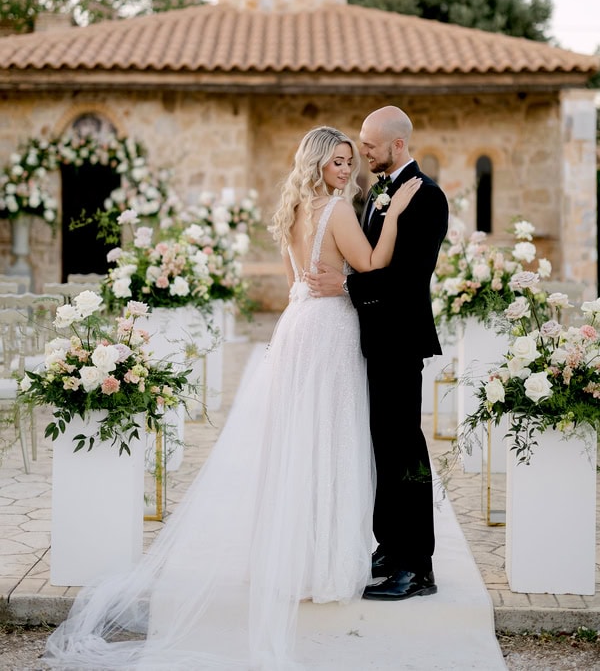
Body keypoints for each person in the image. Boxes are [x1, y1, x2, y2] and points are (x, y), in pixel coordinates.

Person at [43, 126, 421, 671]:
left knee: (300, 439)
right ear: (317, 164)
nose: (348, 171)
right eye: (338, 162)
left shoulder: (291, 211)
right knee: (329, 439)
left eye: (349, 162)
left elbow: (298, 280)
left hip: (295, 327)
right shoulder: (338, 210)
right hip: (330, 331)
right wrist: (400, 210)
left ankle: (296, 562)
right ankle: (327, 567)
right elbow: (373, 266)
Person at [307, 106, 449, 601]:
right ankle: (390, 548)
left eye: (370, 144)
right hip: (370, 341)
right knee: (382, 452)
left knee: (405, 451)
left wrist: (346, 286)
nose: (363, 151)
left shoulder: (427, 197)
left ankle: (418, 566)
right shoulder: (372, 195)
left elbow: (410, 277)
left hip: (400, 342)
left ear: (398, 145)